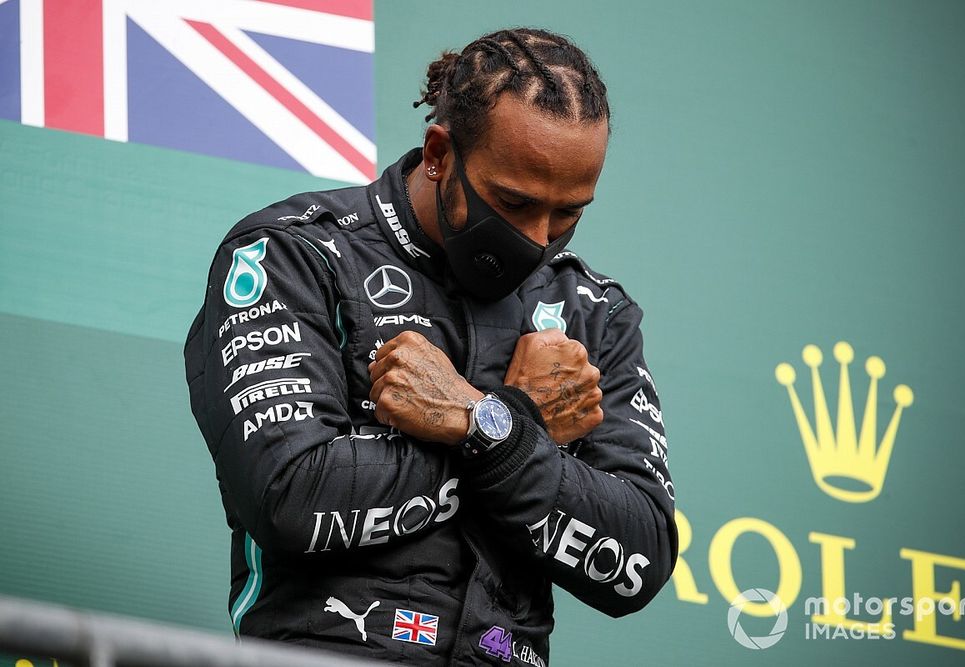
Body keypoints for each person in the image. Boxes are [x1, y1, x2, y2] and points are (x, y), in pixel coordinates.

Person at [184, 27, 677, 665]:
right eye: (513, 203)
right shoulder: (293, 253)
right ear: (440, 154)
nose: (538, 238)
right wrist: (517, 423)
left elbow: (636, 561)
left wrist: (486, 427)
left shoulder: (595, 314)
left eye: (568, 214)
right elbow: (290, 499)